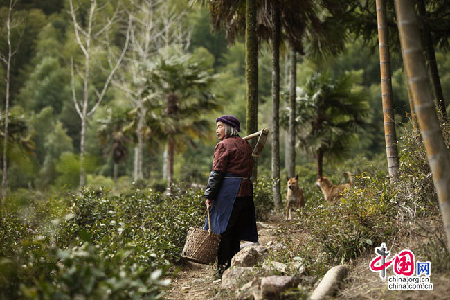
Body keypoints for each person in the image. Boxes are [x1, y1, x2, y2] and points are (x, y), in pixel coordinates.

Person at [203, 115, 258, 278]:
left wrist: (209, 195)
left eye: (219, 126)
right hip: (245, 192)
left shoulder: (223, 145)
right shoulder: (245, 145)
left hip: (228, 192)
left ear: (228, 127)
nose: (217, 130)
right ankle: (232, 269)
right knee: (236, 231)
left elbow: (217, 173)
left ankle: (222, 270)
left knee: (223, 231)